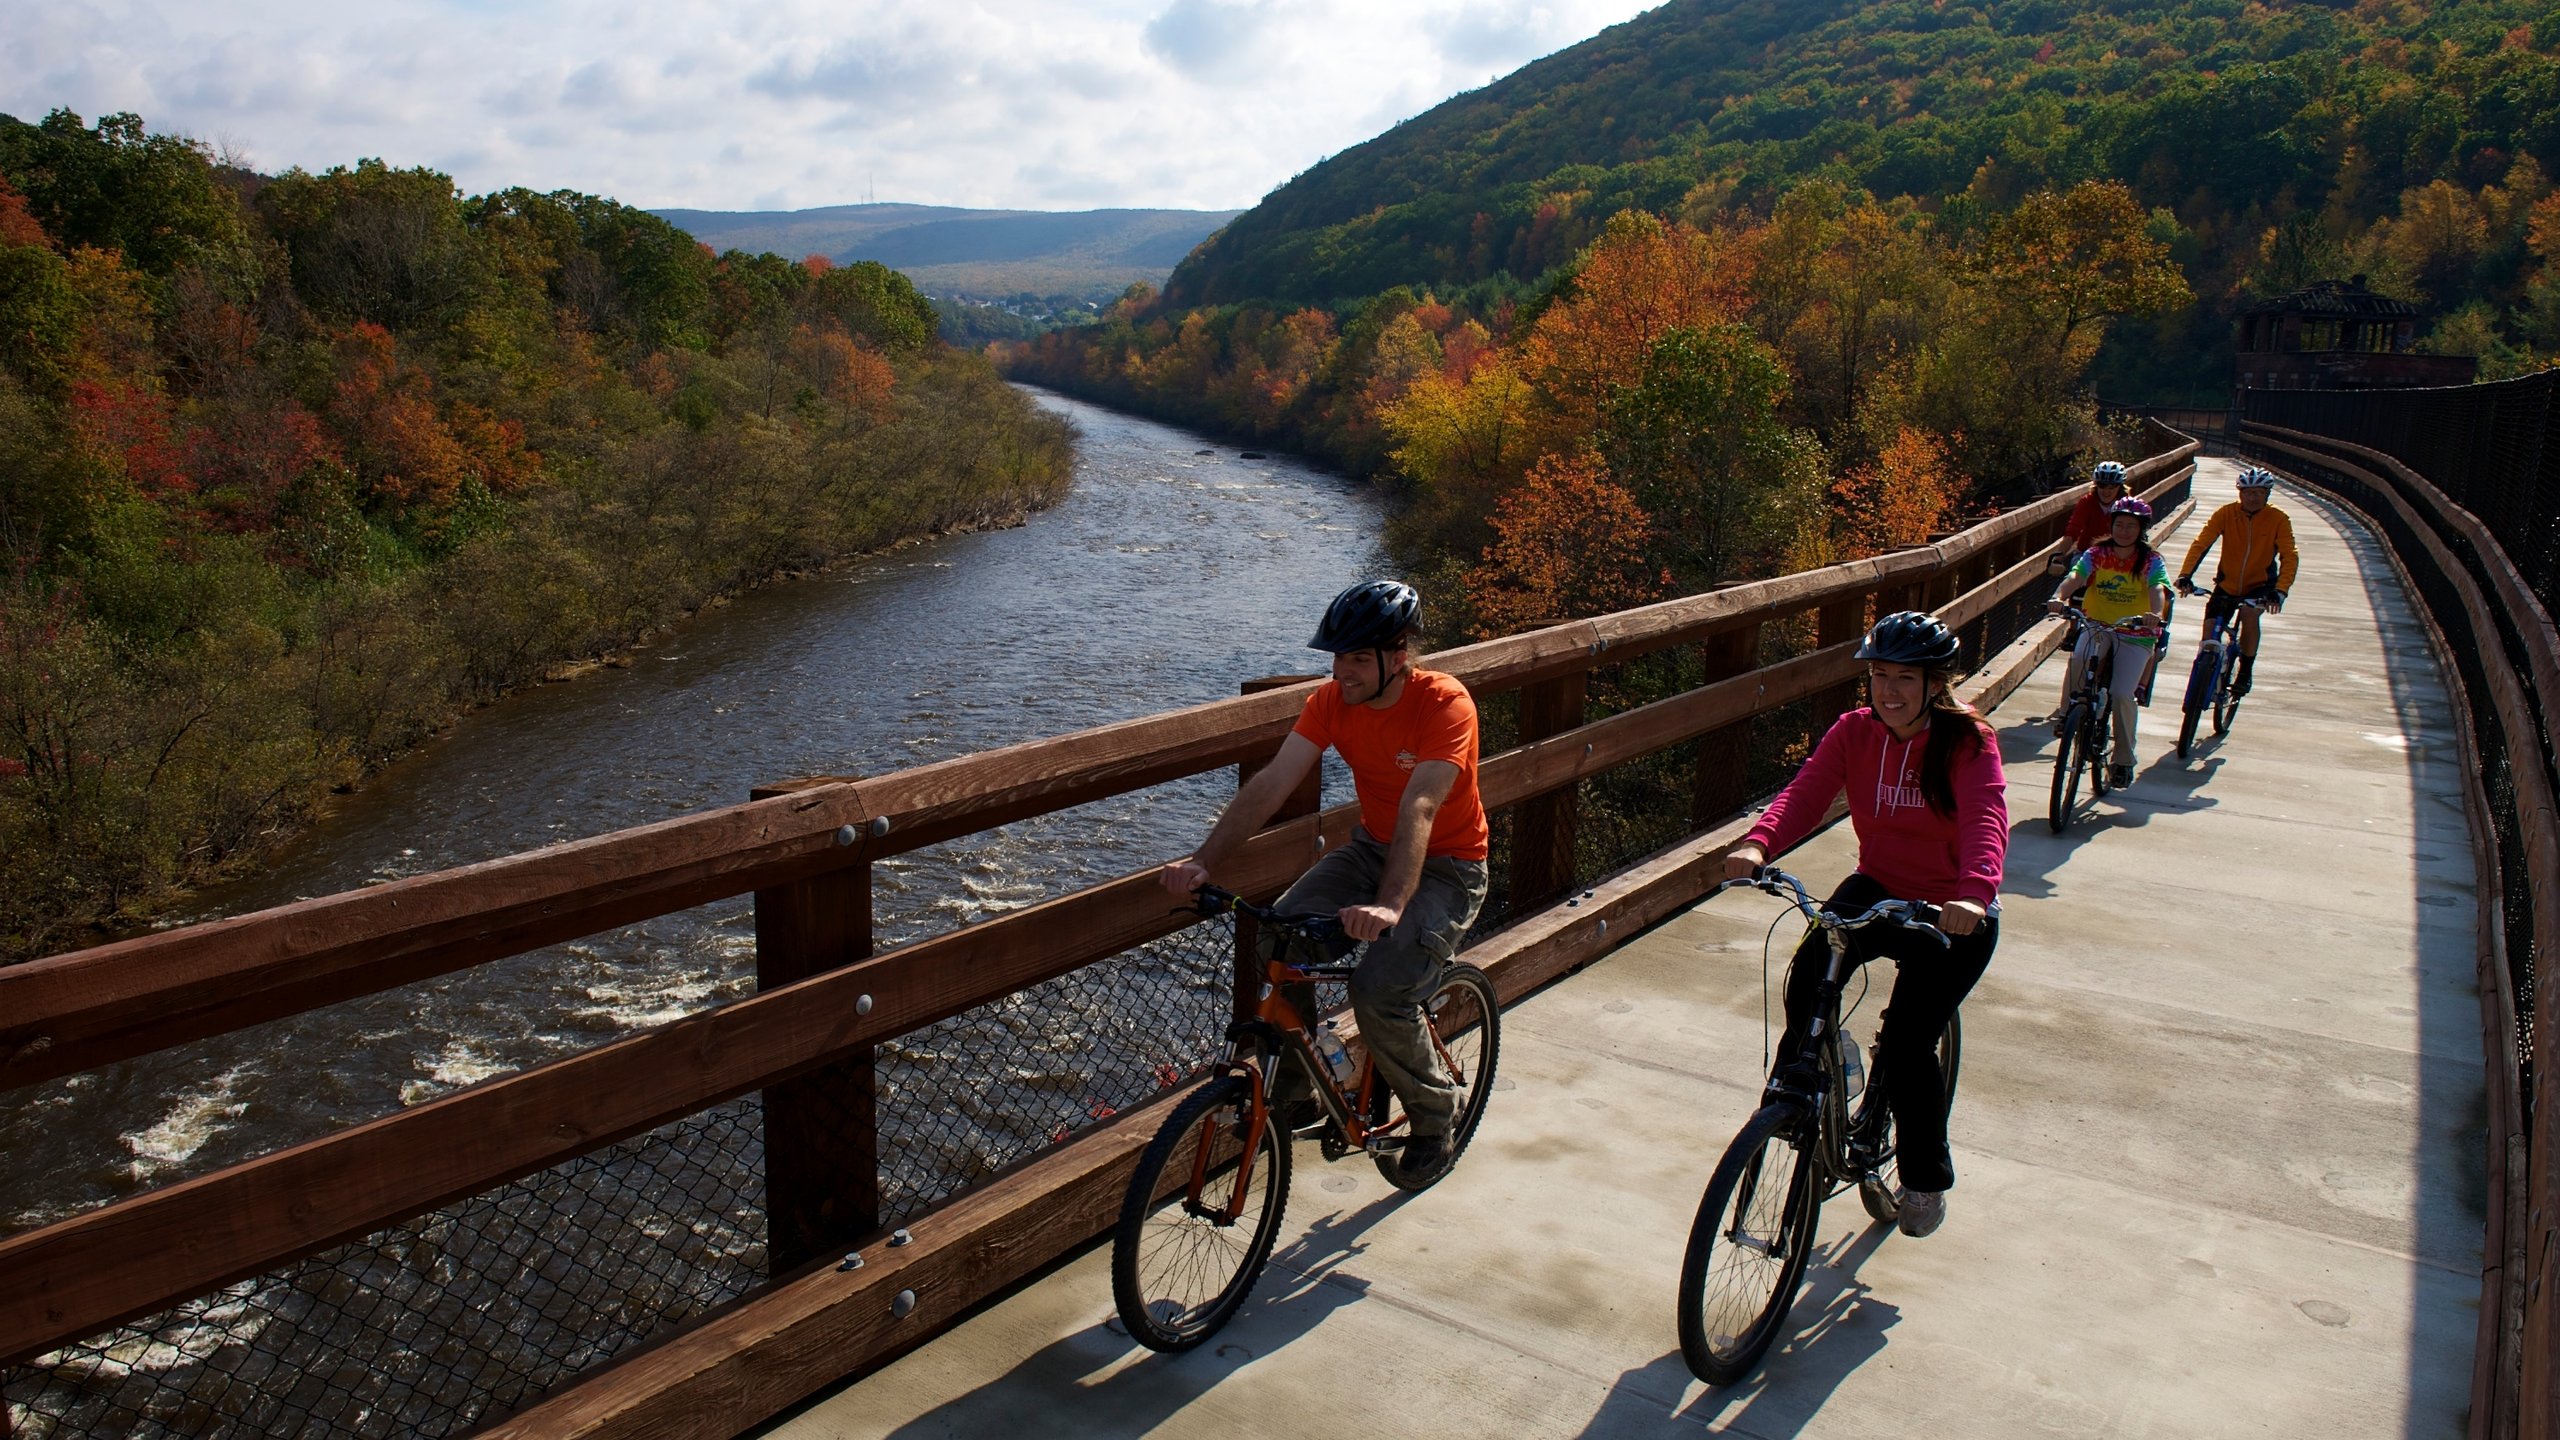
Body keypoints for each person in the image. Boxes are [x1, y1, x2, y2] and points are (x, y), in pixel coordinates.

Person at [1161, 579, 1490, 1179]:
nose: (1343, 672)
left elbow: (1421, 807)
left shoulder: (1444, 705)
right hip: (1369, 850)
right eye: (1337, 657)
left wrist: (1390, 907)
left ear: (1399, 656)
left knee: (1379, 990)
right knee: (1278, 937)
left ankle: (1436, 1113)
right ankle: (1296, 1091)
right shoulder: (1331, 702)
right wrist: (1203, 860)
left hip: (1448, 865)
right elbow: (1271, 784)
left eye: (1359, 658)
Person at [1722, 611, 2006, 1238]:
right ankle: (1796, 1094)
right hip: (1878, 886)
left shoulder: (1966, 741)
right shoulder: (1855, 732)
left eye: (1905, 677)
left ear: (1936, 682)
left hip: (1951, 911)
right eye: (1879, 675)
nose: (1889, 690)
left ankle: (1925, 1179)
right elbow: (1806, 792)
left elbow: (1987, 817)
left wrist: (1975, 894)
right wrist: (1758, 845)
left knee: (1907, 1045)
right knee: (1807, 974)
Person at [2047, 496, 2171, 787]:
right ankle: (2069, 714)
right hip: (2097, 626)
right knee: (2078, 659)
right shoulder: (2097, 553)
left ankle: (2123, 760)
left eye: (2131, 526)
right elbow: (2076, 576)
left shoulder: (2151, 560)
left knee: (2120, 694)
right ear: (2111, 526)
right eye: (2119, 524)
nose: (2124, 531)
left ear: (2141, 529)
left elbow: (2157, 589)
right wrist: (2058, 597)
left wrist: (2154, 614)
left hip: (2135, 634)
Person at [2176, 467, 2299, 698]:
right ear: (2240, 493)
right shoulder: (2226, 513)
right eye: (2247, 492)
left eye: (2258, 493)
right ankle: (2206, 673)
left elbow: (2289, 556)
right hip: (2227, 583)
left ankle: (2245, 672)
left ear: (2267, 495)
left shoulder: (2278, 519)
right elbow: (2201, 543)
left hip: (2260, 585)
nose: (2252, 498)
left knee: (2249, 614)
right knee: (2210, 630)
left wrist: (2280, 590)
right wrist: (2185, 575)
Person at [2046, 460, 2130, 720]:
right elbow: (2073, 529)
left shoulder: (2127, 506)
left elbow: (2137, 533)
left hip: (2116, 558)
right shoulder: (2087, 502)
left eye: (2112, 485)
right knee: (2075, 572)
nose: (2106, 490)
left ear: (2120, 486)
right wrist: (2060, 554)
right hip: (2088, 553)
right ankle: (2074, 624)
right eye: (2102, 485)